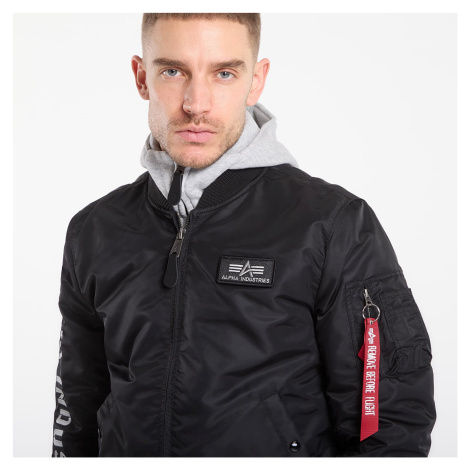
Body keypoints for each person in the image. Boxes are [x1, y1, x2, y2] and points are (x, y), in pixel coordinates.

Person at [51, 13, 436, 458]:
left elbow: (389, 423)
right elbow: (76, 408)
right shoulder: (95, 229)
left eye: (224, 74)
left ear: (256, 81)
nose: (196, 104)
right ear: (142, 77)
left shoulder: (331, 224)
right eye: (173, 71)